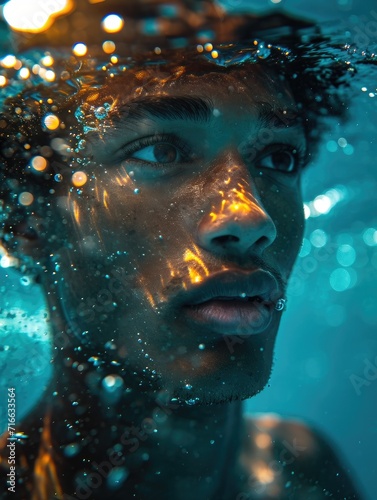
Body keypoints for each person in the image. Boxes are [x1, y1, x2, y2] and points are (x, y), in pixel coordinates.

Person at [0, 1, 371, 498]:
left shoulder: (301, 470)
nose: (250, 217)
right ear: (28, 222)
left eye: (278, 157)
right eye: (161, 151)